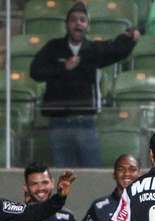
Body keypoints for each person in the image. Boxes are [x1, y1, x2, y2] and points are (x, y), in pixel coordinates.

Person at [30, 1, 140, 168]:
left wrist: (130, 39)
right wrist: (63, 67)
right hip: (58, 123)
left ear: (87, 25)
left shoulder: (93, 50)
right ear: (67, 24)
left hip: (86, 122)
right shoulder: (53, 47)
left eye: (82, 20)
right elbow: (35, 72)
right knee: (63, 175)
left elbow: (116, 50)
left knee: (92, 173)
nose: (78, 23)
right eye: (74, 20)